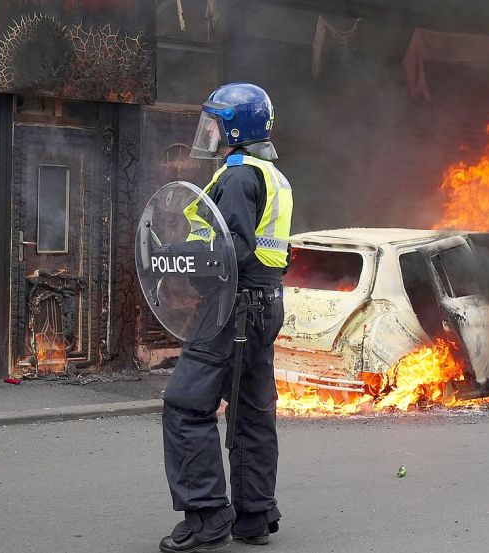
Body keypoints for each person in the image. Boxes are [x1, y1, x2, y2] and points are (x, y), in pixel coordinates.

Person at [159, 82, 293, 553]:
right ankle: (254, 516)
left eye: (216, 121)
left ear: (235, 126)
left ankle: (207, 517)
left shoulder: (236, 175)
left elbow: (232, 249)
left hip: (231, 308)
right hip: (263, 305)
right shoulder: (270, 174)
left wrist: (177, 255)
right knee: (252, 412)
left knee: (185, 405)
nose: (210, 130)